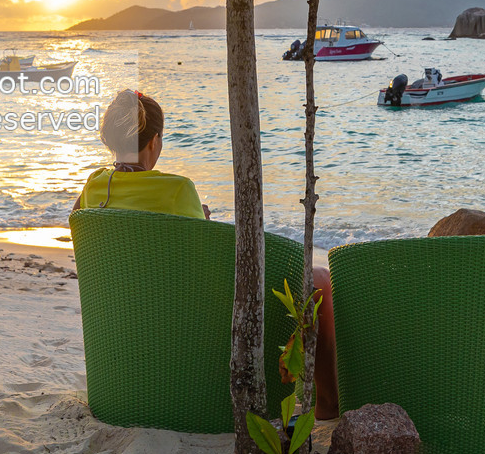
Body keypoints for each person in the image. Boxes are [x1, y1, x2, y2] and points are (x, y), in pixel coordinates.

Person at [74, 89, 339, 418]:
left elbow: (80, 222)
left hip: (130, 323)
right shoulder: (177, 189)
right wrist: (202, 217)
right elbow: (200, 257)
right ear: (155, 141)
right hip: (184, 326)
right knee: (319, 281)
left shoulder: (93, 187)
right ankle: (328, 405)